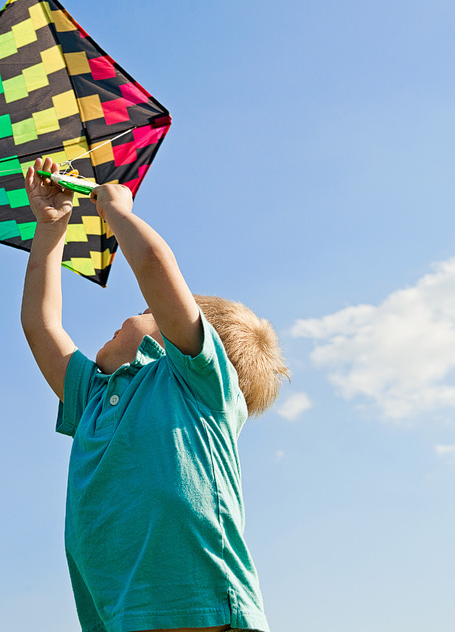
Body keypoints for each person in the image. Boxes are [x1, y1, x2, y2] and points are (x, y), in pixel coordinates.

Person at [20, 157, 289, 632]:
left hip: (204, 606)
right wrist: (50, 228)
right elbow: (41, 324)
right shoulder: (93, 403)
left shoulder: (197, 386)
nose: (132, 313)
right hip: (122, 616)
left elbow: (153, 266)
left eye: (148, 309)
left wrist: (119, 214)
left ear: (169, 341)